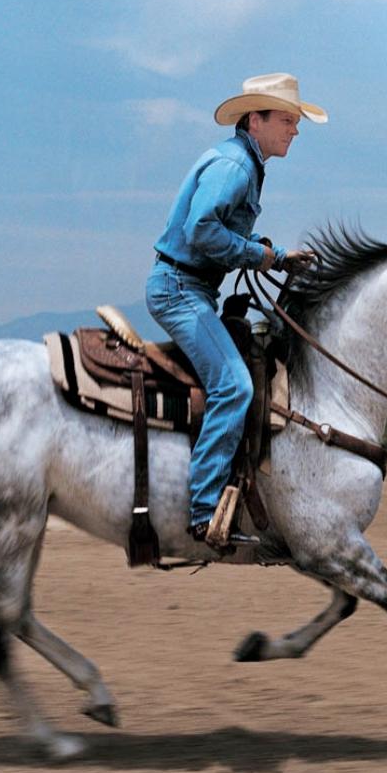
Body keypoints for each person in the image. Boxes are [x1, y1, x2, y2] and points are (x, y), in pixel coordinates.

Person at [146, 72, 326, 547]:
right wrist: (261, 256)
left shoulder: (241, 161)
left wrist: (279, 255)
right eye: (287, 120)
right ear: (256, 119)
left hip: (191, 287)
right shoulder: (236, 167)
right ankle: (204, 512)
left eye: (295, 121)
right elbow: (202, 229)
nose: (295, 130)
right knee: (233, 385)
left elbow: (221, 231)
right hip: (180, 290)